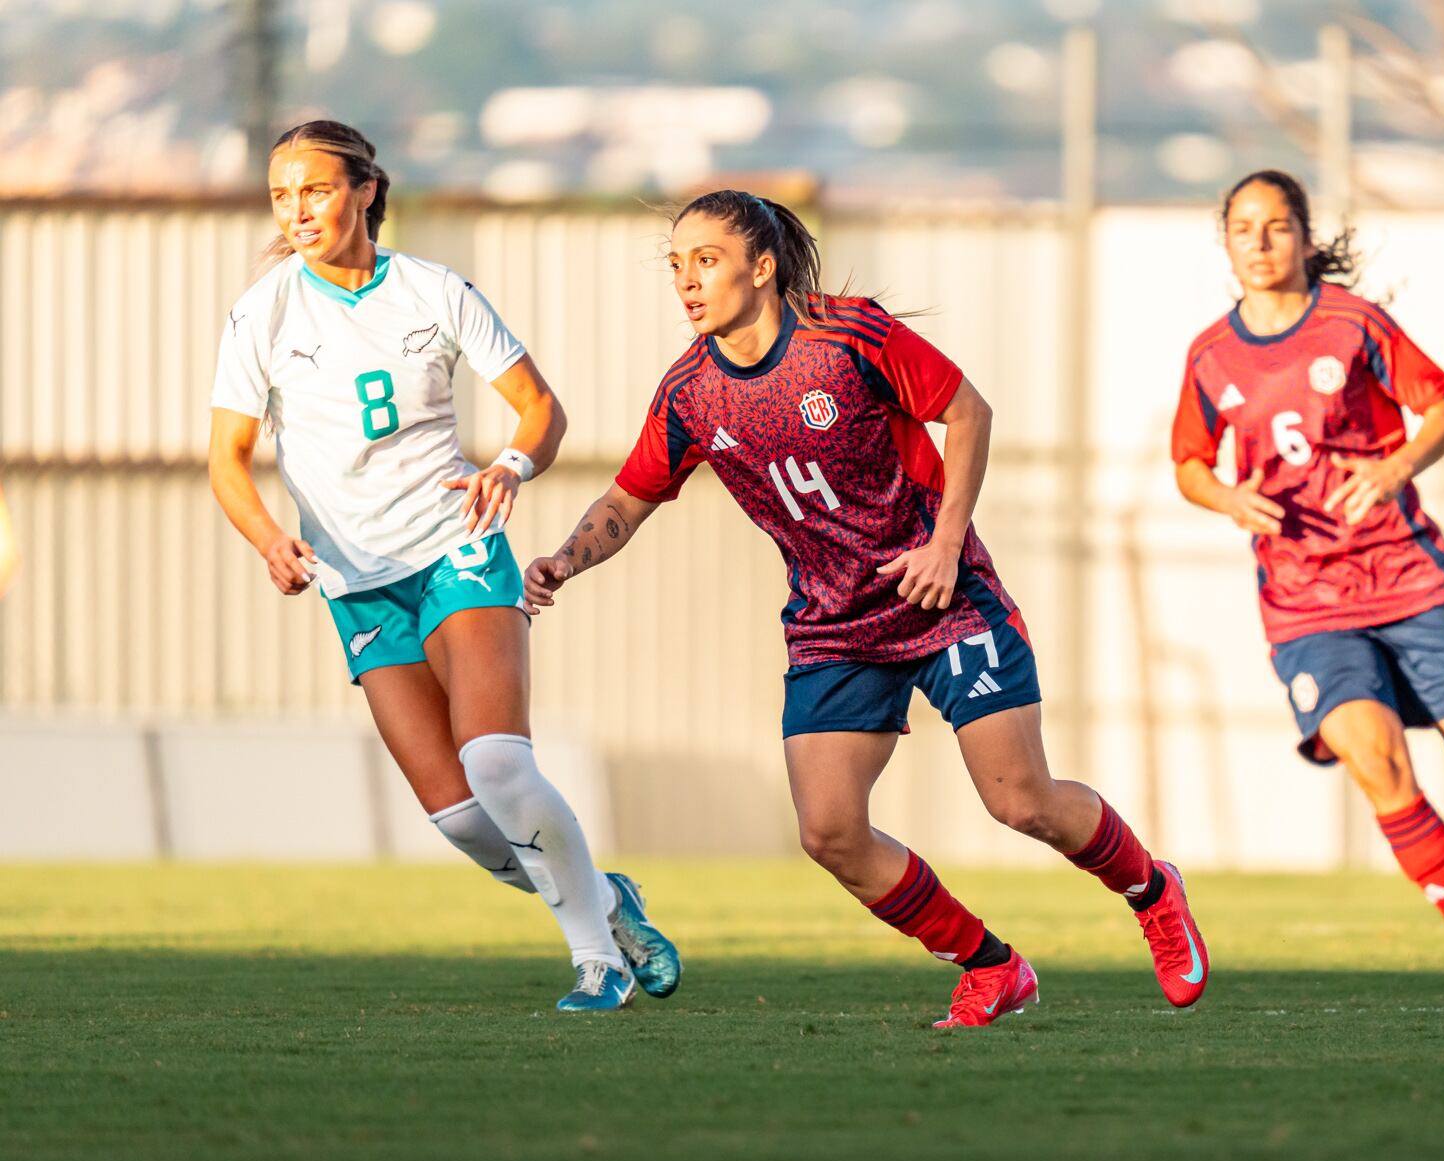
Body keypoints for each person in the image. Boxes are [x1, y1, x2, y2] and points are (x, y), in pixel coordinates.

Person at [524, 189, 1206, 1028]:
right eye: (676, 264)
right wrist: (565, 558)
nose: (687, 282)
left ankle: (1151, 888)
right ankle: (990, 966)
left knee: (1021, 799)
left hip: (942, 600)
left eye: (705, 260)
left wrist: (948, 542)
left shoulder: (848, 337)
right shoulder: (691, 393)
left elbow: (969, 411)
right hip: (832, 625)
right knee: (831, 833)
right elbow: (630, 499)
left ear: (762, 266)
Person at [207, 119, 679, 1009]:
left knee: (499, 766)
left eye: (314, 189)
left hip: (457, 550)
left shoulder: (435, 291)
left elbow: (539, 408)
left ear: (365, 190)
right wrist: (270, 537)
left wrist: (510, 464)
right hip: (356, 584)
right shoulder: (261, 311)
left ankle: (597, 962)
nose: (297, 210)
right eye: (281, 195)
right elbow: (226, 458)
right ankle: (608, 898)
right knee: (463, 817)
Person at [1169, 169, 1444, 973]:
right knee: (1375, 758)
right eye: (1243, 227)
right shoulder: (1211, 355)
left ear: (1306, 238)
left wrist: (1396, 467)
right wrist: (1226, 497)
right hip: (1304, 598)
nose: (1259, 241)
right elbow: (1186, 461)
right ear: (1226, 241)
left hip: (1406, 576)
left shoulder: (1355, 325)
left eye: (1277, 225)